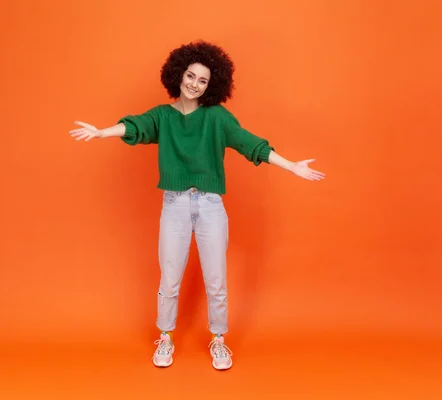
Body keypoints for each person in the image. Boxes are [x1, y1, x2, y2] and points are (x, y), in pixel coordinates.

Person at [69, 40, 325, 371]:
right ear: (178, 74)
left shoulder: (217, 118)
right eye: (190, 76)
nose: (194, 84)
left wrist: (291, 165)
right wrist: (103, 132)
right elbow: (136, 126)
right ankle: (166, 335)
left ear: (211, 85)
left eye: (202, 80)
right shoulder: (162, 116)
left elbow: (249, 143)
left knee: (216, 278)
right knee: (170, 277)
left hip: (210, 207)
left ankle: (219, 340)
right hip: (174, 204)